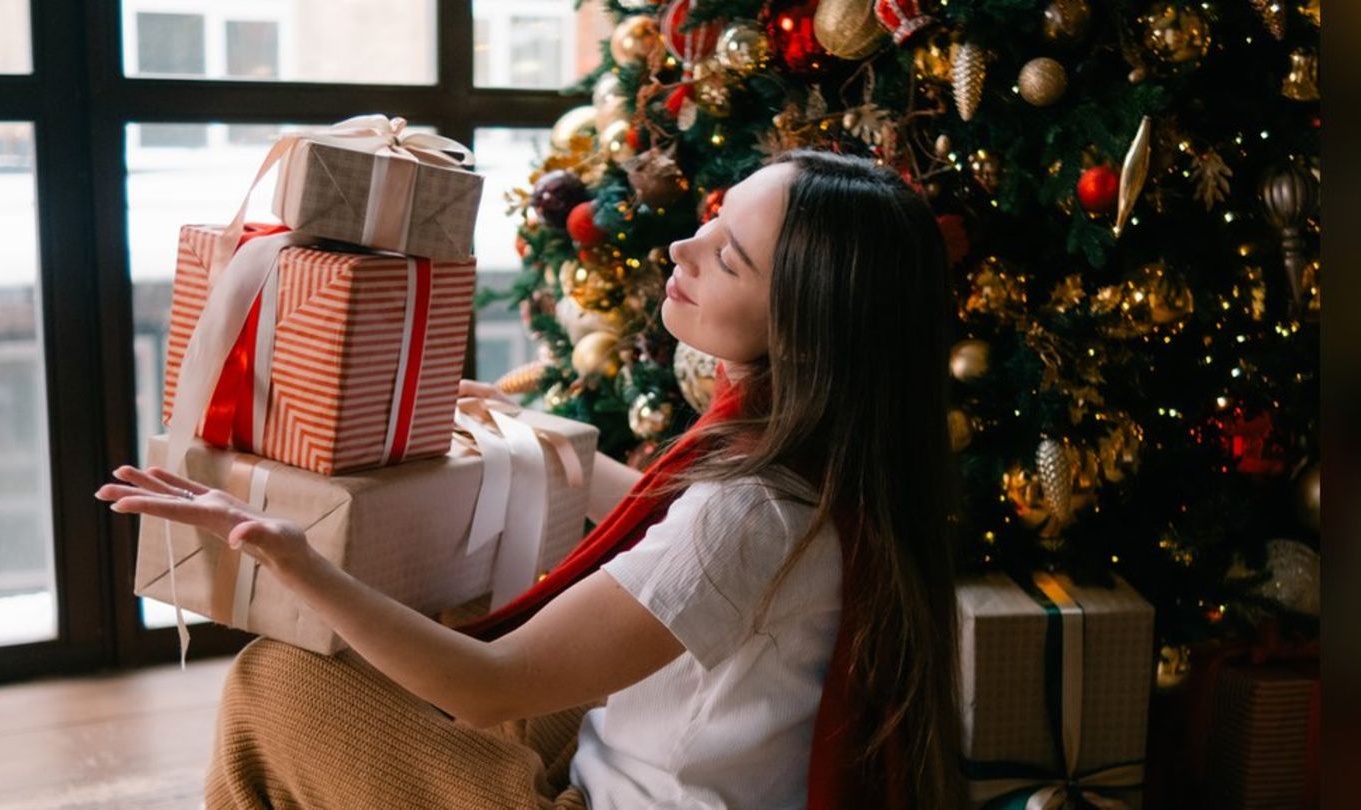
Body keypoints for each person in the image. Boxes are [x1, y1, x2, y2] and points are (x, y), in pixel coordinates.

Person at [97, 149, 964, 808]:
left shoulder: (750, 512)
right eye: (711, 216)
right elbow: (670, 534)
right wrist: (523, 434)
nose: (681, 245)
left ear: (805, 327)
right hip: (684, 766)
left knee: (277, 685)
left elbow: (491, 688)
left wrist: (295, 560)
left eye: (728, 257)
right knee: (467, 619)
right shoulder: (828, 466)